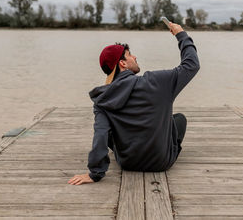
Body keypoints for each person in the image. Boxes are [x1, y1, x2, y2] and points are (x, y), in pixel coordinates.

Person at [68, 22, 200, 185]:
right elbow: (191, 65)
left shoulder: (103, 98)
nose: (135, 57)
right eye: (130, 55)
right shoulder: (157, 82)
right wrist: (181, 34)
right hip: (161, 163)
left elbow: (100, 134)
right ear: (122, 63)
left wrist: (95, 173)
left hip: (127, 163)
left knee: (109, 129)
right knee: (179, 119)